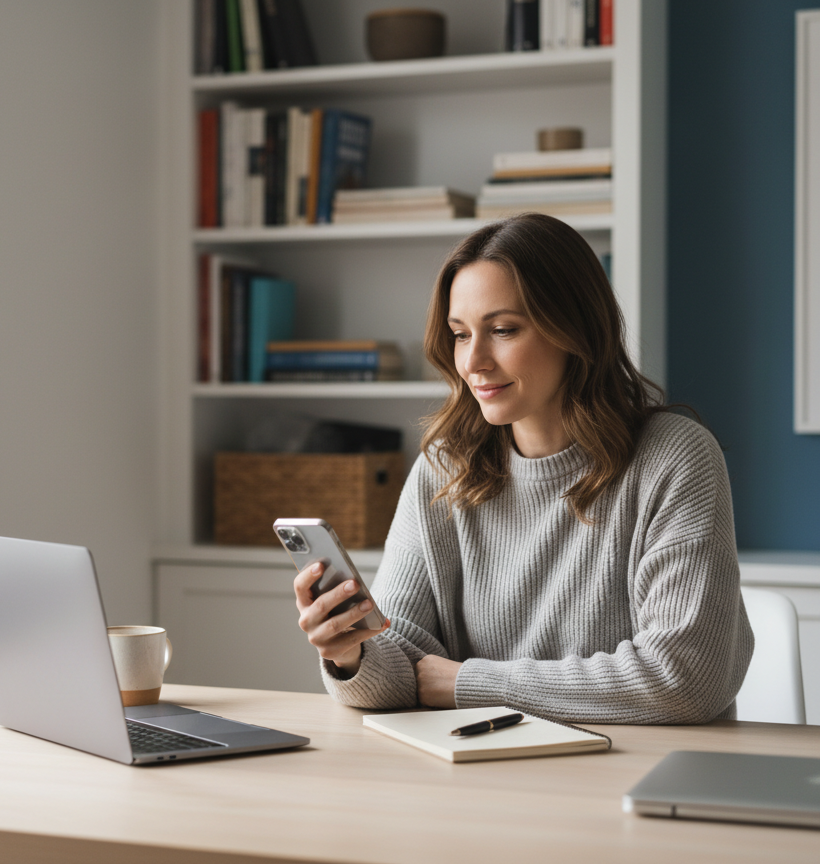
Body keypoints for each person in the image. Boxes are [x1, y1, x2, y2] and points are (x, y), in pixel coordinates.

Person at [292, 213, 754, 724]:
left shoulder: (674, 457)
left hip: (637, 774)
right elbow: (403, 673)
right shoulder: (443, 470)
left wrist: (468, 682)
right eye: (461, 334)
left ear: (574, 329)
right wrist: (350, 654)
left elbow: (684, 679)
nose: (473, 362)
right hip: (486, 774)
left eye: (504, 330)